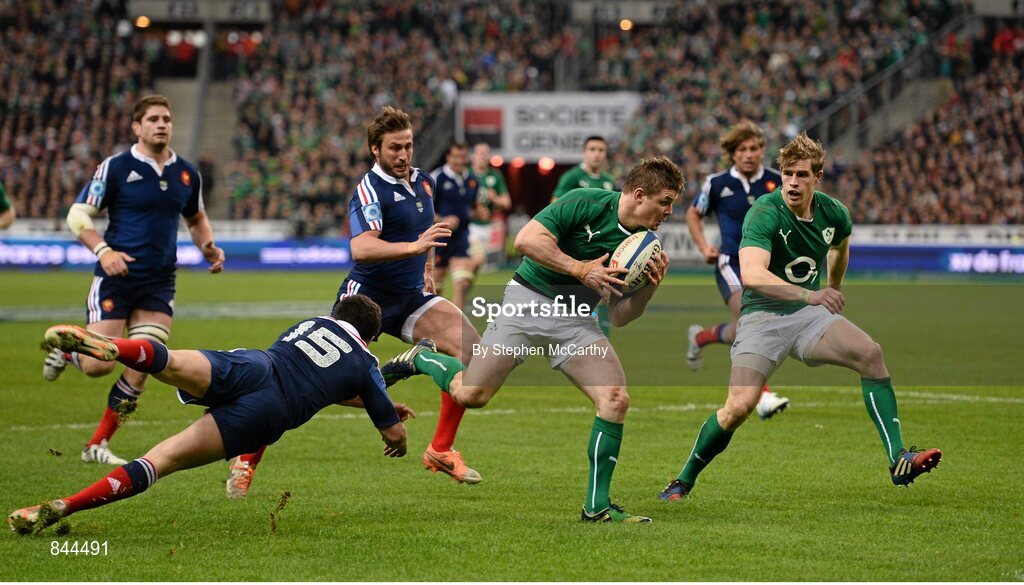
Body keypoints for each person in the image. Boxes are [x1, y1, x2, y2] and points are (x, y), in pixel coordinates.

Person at [384, 156, 685, 523]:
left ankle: (597, 507)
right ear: (640, 194)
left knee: (615, 399)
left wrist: (648, 289)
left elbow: (620, 317)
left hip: (576, 322)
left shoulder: (645, 245)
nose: (669, 211)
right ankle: (421, 359)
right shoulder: (584, 201)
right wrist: (580, 269)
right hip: (528, 304)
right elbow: (525, 239)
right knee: (471, 395)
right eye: (666, 201)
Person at [658, 133, 942, 501]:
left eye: (802, 175)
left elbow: (840, 246)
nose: (793, 181)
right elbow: (753, 276)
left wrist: (832, 289)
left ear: (817, 177)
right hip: (762, 318)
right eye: (788, 173)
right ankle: (683, 480)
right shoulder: (764, 211)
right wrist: (813, 293)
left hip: (809, 316)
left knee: (870, 354)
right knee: (739, 407)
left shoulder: (833, 212)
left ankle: (898, 458)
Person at [226, 107, 481, 499]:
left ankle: (441, 449)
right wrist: (413, 248)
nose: (404, 154)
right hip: (363, 302)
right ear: (374, 149)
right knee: (311, 382)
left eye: (409, 145)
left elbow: (427, 232)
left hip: (411, 296)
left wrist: (427, 265)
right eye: (395, 147)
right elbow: (361, 247)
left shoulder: (424, 183)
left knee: (471, 350)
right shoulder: (369, 189)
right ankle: (246, 457)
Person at [8, 295, 412, 534]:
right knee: (159, 460)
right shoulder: (365, 361)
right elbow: (390, 432)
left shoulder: (313, 322)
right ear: (371, 336)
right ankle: (64, 506)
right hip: (269, 410)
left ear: (338, 314)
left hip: (256, 364)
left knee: (166, 362)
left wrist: (369, 399)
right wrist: (394, 429)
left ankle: (113, 346)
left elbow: (316, 377)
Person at [42, 95, 225, 466]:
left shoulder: (187, 173)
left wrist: (208, 246)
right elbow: (78, 215)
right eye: (153, 119)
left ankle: (98, 444)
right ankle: (67, 350)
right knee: (99, 365)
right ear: (136, 127)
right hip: (116, 278)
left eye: (167, 119)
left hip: (159, 282)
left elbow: (196, 217)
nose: (162, 124)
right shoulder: (116, 167)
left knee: (145, 361)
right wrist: (104, 252)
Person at [685, 120, 790, 420]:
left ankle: (701, 337)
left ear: (762, 151)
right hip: (730, 263)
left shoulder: (777, 181)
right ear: (732, 153)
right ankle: (763, 396)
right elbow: (694, 214)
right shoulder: (716, 184)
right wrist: (705, 247)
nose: (749, 154)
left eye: (754, 148)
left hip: (767, 266)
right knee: (751, 319)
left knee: (745, 327)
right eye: (742, 149)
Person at [551, 136, 618, 337]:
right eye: (592, 149)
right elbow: (555, 205)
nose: (597, 154)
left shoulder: (608, 181)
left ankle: (600, 335)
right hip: (575, 246)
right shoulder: (572, 177)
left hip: (599, 244)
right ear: (584, 153)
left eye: (601, 150)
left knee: (602, 290)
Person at [431, 142, 482, 310]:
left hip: (462, 238)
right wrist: (443, 220)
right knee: (435, 289)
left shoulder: (472, 180)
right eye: (456, 157)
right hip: (439, 240)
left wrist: (479, 212)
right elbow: (423, 212)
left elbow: (473, 208)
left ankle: (459, 330)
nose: (460, 161)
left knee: (461, 284)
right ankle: (438, 325)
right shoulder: (436, 179)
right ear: (448, 158)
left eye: (463, 157)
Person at [468, 142, 511, 279]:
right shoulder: (466, 174)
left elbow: (506, 203)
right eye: (480, 153)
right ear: (473, 155)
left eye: (486, 153)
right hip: (470, 227)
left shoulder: (495, 175)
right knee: (477, 259)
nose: (483, 156)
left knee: (479, 268)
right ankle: (459, 292)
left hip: (489, 227)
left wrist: (495, 199)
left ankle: (461, 295)